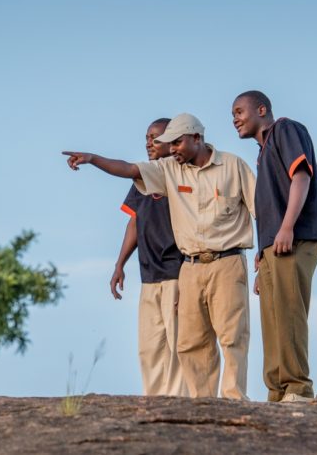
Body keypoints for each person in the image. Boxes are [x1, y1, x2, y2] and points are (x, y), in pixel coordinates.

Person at [64, 113, 256, 400]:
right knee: (191, 342)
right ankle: (202, 402)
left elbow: (259, 209)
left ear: (196, 138)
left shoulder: (233, 165)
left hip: (225, 261)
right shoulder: (165, 170)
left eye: (176, 142)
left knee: (232, 336)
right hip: (185, 267)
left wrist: (264, 254)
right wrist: (93, 158)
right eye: (169, 144)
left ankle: (233, 398)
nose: (172, 148)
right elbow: (129, 171)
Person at [231, 90, 317, 403]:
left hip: (296, 236)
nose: (235, 119)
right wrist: (262, 255)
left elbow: (302, 176)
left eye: (240, 111)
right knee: (272, 317)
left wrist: (288, 226)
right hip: (273, 247)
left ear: (261, 109)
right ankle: (277, 390)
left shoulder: (286, 130)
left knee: (290, 311)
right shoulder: (263, 151)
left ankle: (298, 388)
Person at [112, 118, 188, 397]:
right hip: (149, 273)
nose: (149, 143)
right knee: (150, 345)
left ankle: (181, 400)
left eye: (155, 138)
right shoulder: (142, 177)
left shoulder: (182, 174)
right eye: (147, 137)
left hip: (177, 270)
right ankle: (155, 399)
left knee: (179, 342)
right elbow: (134, 221)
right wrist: (120, 264)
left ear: (172, 141)